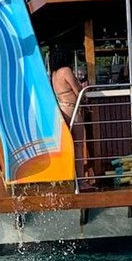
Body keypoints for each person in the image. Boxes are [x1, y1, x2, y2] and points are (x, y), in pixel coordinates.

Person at [50, 43, 91, 184]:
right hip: (72, 109)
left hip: (62, 109)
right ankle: (81, 181)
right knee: (78, 146)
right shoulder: (66, 71)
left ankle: (70, 180)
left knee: (68, 146)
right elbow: (78, 90)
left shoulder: (54, 74)